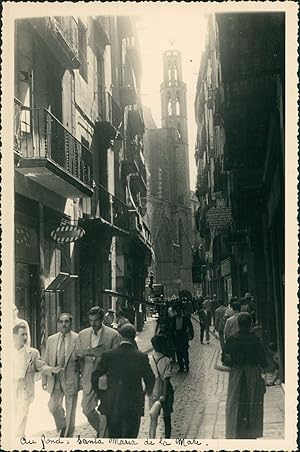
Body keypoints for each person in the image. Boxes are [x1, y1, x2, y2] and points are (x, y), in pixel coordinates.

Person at [91, 324, 155, 438]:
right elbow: (150, 379)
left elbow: (95, 377)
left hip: (113, 404)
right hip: (133, 405)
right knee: (131, 438)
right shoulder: (141, 356)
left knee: (114, 438)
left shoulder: (108, 355)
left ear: (120, 337)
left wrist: (102, 395)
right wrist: (144, 393)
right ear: (134, 337)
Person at [75, 306, 120, 437]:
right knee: (87, 409)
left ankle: (104, 436)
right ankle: (104, 432)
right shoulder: (82, 334)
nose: (93, 324)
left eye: (96, 320)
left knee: (106, 410)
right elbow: (77, 353)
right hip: (89, 377)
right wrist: (86, 353)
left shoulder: (113, 335)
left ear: (102, 320)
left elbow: (117, 356)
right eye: (90, 321)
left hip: (106, 378)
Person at [222, 312, 267, 438]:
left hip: (237, 375)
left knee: (234, 402)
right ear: (250, 324)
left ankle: (234, 431)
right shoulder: (256, 340)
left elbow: (225, 359)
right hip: (252, 374)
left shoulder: (231, 340)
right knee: (253, 401)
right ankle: (253, 431)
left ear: (238, 324)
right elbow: (263, 362)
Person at [12, 323, 61, 437]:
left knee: (22, 413)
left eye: (26, 335)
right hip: (10, 387)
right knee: (12, 414)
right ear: (14, 336)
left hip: (25, 388)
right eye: (22, 335)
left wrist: (52, 370)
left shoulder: (32, 353)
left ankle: (18, 437)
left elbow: (41, 366)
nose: (25, 337)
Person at [42, 313, 80, 437]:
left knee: (70, 411)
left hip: (70, 378)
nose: (64, 324)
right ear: (58, 323)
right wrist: (44, 379)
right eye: (61, 322)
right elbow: (46, 361)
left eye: (66, 321)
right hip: (55, 378)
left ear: (71, 323)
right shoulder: (51, 339)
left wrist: (80, 379)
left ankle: (67, 437)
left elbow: (82, 361)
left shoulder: (78, 338)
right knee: (53, 406)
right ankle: (63, 425)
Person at [148, 335, 174, 439]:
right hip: (165, 391)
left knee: (153, 419)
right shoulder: (166, 360)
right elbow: (166, 379)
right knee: (167, 418)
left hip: (153, 390)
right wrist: (163, 394)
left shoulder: (149, 358)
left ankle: (151, 439)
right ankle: (167, 438)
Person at [170, 307, 194, 372]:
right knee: (178, 352)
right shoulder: (173, 319)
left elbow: (190, 327)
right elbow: (171, 328)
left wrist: (191, 335)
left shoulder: (186, 319)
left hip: (183, 336)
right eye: (177, 312)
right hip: (176, 337)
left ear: (181, 312)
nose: (179, 313)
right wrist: (173, 333)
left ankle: (186, 365)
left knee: (185, 351)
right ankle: (181, 367)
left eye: (180, 312)